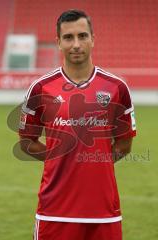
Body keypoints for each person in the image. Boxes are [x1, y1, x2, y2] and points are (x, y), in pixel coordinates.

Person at [19, 9, 136, 240]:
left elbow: (124, 145)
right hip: (54, 213)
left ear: (93, 39)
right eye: (68, 37)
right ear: (58, 43)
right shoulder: (41, 88)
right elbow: (26, 143)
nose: (76, 44)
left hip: (104, 213)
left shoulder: (117, 88)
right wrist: (59, 157)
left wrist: (93, 161)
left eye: (82, 36)